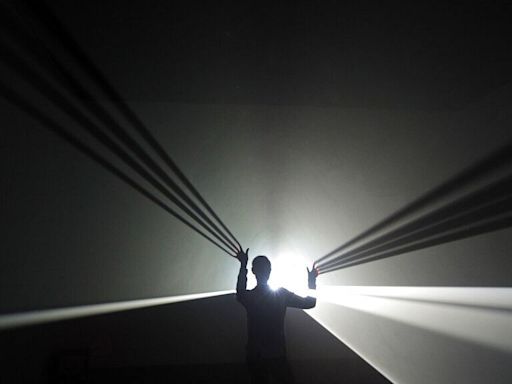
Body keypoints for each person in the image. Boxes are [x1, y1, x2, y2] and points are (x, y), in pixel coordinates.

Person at [235, 248, 318, 384]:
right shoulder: (281, 295)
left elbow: (240, 293)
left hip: (255, 353)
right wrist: (312, 282)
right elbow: (310, 303)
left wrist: (243, 265)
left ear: (253, 271)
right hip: (276, 352)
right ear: (270, 271)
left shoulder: (250, 296)